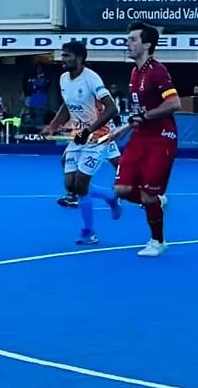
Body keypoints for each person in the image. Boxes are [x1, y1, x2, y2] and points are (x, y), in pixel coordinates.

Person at [43, 41, 123, 245]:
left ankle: (88, 232)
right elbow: (67, 107)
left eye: (67, 56)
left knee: (81, 183)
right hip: (78, 136)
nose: (63, 59)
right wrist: (53, 126)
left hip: (96, 138)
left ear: (79, 58)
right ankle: (111, 196)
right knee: (70, 185)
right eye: (63, 55)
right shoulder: (63, 78)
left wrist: (89, 131)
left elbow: (111, 109)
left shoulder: (91, 78)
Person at [114, 22, 182, 257]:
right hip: (140, 136)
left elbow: (174, 104)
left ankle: (157, 240)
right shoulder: (134, 72)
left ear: (147, 44)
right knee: (122, 190)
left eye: (133, 39)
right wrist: (125, 127)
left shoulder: (157, 70)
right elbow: (140, 112)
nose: (128, 43)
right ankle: (155, 201)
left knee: (147, 195)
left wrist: (143, 117)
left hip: (161, 138)